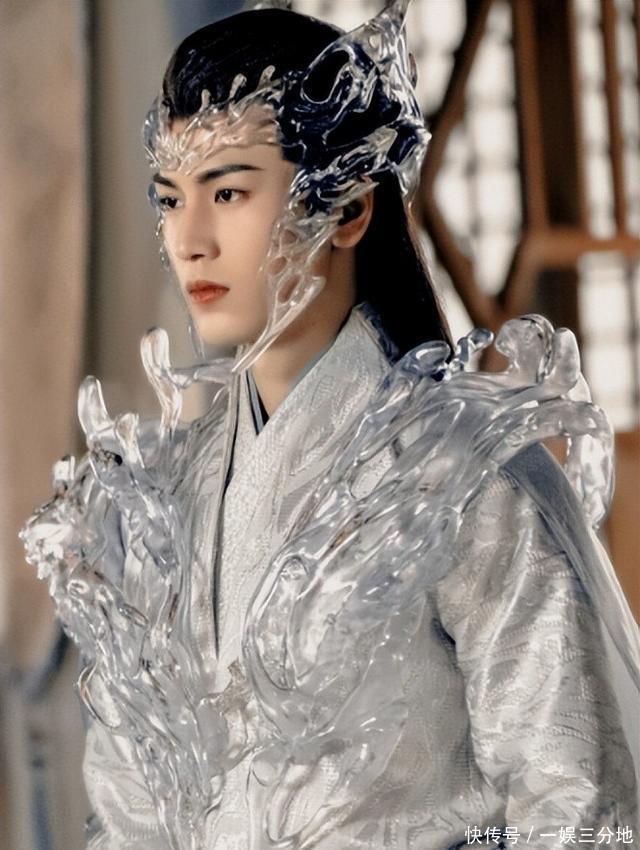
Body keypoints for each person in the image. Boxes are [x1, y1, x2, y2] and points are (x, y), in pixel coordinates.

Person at [21, 3, 640, 849]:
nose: (190, 239)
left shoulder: (462, 472)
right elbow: (130, 817)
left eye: (229, 192)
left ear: (348, 206)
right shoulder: (163, 500)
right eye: (170, 198)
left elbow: (582, 807)